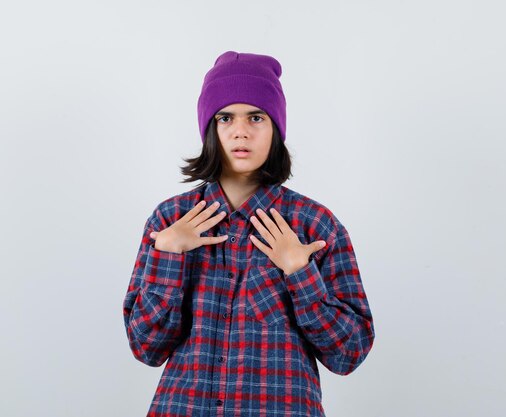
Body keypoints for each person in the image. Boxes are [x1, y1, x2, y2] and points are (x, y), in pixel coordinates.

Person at [122, 50, 375, 417]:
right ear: (211, 128)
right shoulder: (170, 220)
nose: (241, 131)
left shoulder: (314, 225)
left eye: (256, 117)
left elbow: (348, 353)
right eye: (226, 118)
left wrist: (300, 273)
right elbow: (147, 348)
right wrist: (169, 256)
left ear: (275, 127)